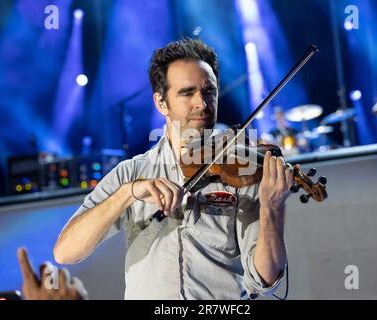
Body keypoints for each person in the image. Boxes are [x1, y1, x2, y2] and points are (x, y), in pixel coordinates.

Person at [53, 38, 295, 300]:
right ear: (161, 103)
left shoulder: (242, 171)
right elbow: (66, 252)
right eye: (187, 92)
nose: (201, 103)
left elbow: (265, 278)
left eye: (209, 91)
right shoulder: (131, 174)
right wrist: (127, 193)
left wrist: (273, 209)